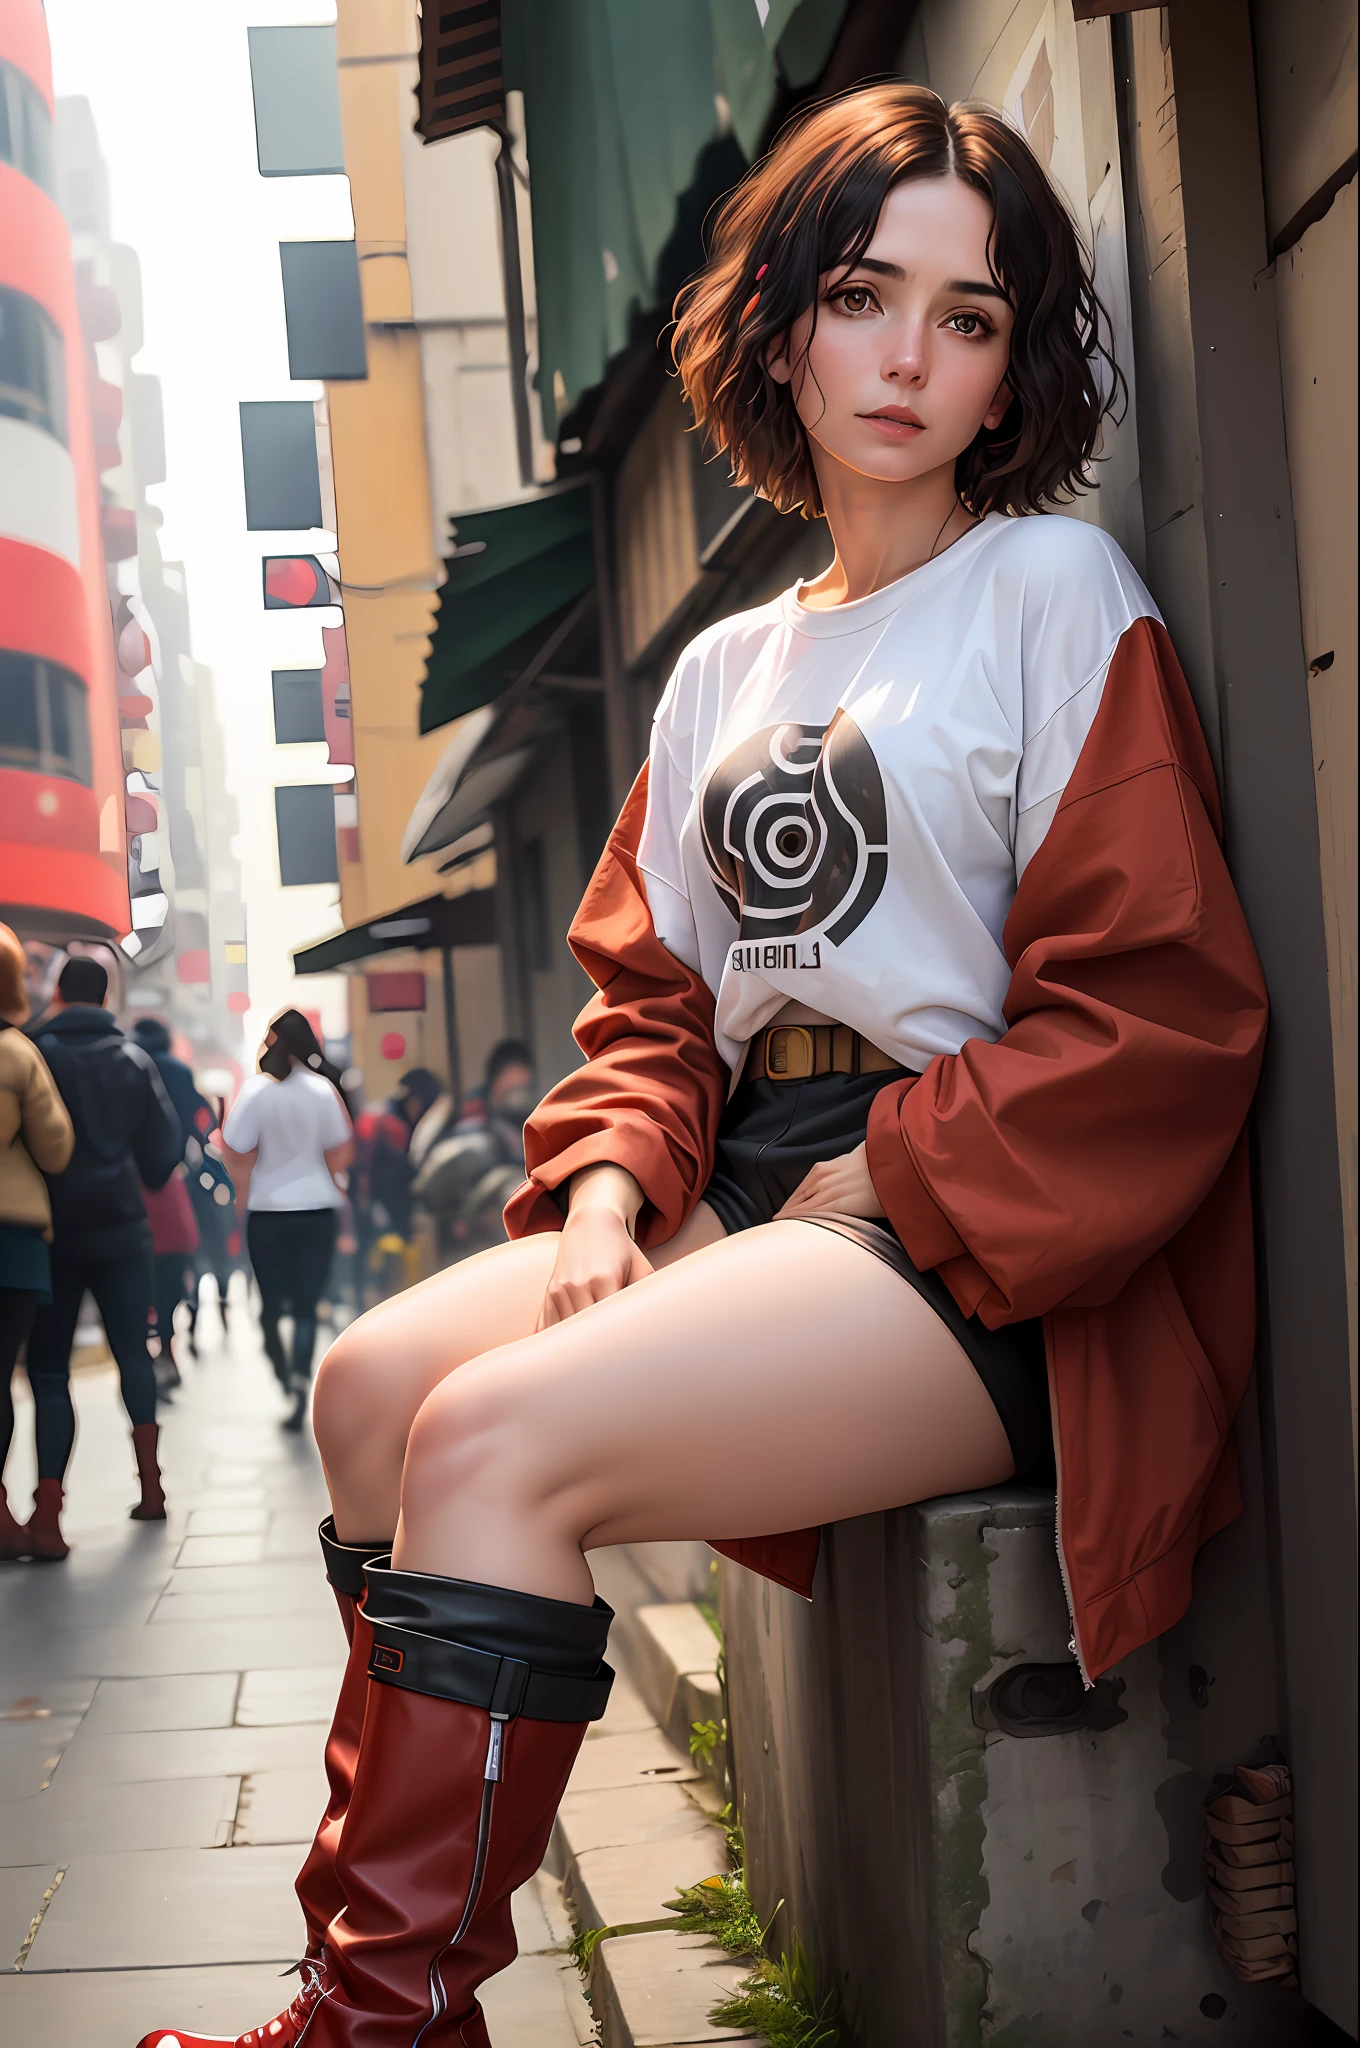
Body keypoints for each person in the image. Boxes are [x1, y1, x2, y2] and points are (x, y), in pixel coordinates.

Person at [139, 85, 1269, 2048]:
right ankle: (408, 1992)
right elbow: (649, 1006)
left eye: (969, 315)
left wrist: (900, 1174)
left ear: (1010, 370)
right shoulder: (727, 666)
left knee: (491, 1442)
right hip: (738, 1169)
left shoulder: (1051, 591)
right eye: (861, 293)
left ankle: (375, 2020)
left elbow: (1153, 1018)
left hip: (986, 1226)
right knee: (372, 1381)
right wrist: (599, 1189)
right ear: (783, 323)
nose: (909, 353)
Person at [26, 955, 181, 1557]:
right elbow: (162, 1158)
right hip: (122, 1230)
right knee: (132, 1357)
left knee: (48, 1372)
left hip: (54, 1232)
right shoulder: (135, 1061)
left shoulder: (36, 1055)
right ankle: (152, 1487)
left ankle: (48, 1514)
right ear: (108, 994)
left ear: (60, 994)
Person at [220, 1008, 353, 1432]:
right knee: (306, 1306)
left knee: (270, 1305)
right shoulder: (322, 1090)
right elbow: (340, 1150)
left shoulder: (255, 1092)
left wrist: (249, 1178)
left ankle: (284, 1376)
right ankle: (299, 1376)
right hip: (318, 1208)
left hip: (267, 1212)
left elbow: (234, 1144)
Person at [0, 925, 75, 1561]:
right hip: (12, 1238)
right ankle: (6, 1520)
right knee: (4, 1377)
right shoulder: (19, 1053)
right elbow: (56, 1148)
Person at [130, 1017, 232, 1366]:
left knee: (136, 1272)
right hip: (172, 1182)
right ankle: (169, 1345)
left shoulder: (126, 1063)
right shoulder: (177, 1071)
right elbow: (200, 1123)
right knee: (176, 1262)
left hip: (129, 1186)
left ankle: (146, 1344)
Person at [408, 1039, 536, 1261]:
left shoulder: (525, 1117)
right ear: (498, 1080)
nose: (520, 1091)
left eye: (524, 1085)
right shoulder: (474, 1120)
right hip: (476, 1237)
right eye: (514, 1085)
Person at [350, 1067, 442, 1302]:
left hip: (368, 1211)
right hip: (385, 1215)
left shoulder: (380, 1117)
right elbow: (393, 1181)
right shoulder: (393, 1128)